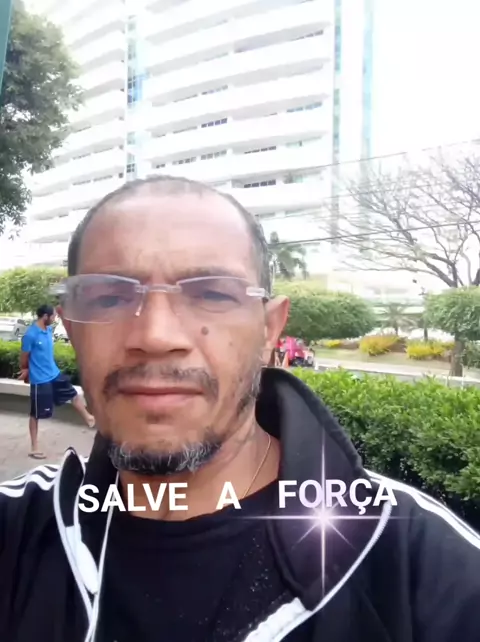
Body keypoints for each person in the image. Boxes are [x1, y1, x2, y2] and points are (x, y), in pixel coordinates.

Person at [0, 175, 479, 642]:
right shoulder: (16, 531)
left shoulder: (424, 569)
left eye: (211, 294)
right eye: (109, 296)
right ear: (71, 327)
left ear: (269, 330)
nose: (155, 336)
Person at [18, 304, 95, 458]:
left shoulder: (48, 330)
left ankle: (89, 418)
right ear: (45, 316)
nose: (54, 319)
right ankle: (34, 447)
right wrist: (25, 370)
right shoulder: (31, 335)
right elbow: (24, 356)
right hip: (40, 380)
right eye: (53, 316)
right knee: (36, 414)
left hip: (54, 374)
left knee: (73, 394)